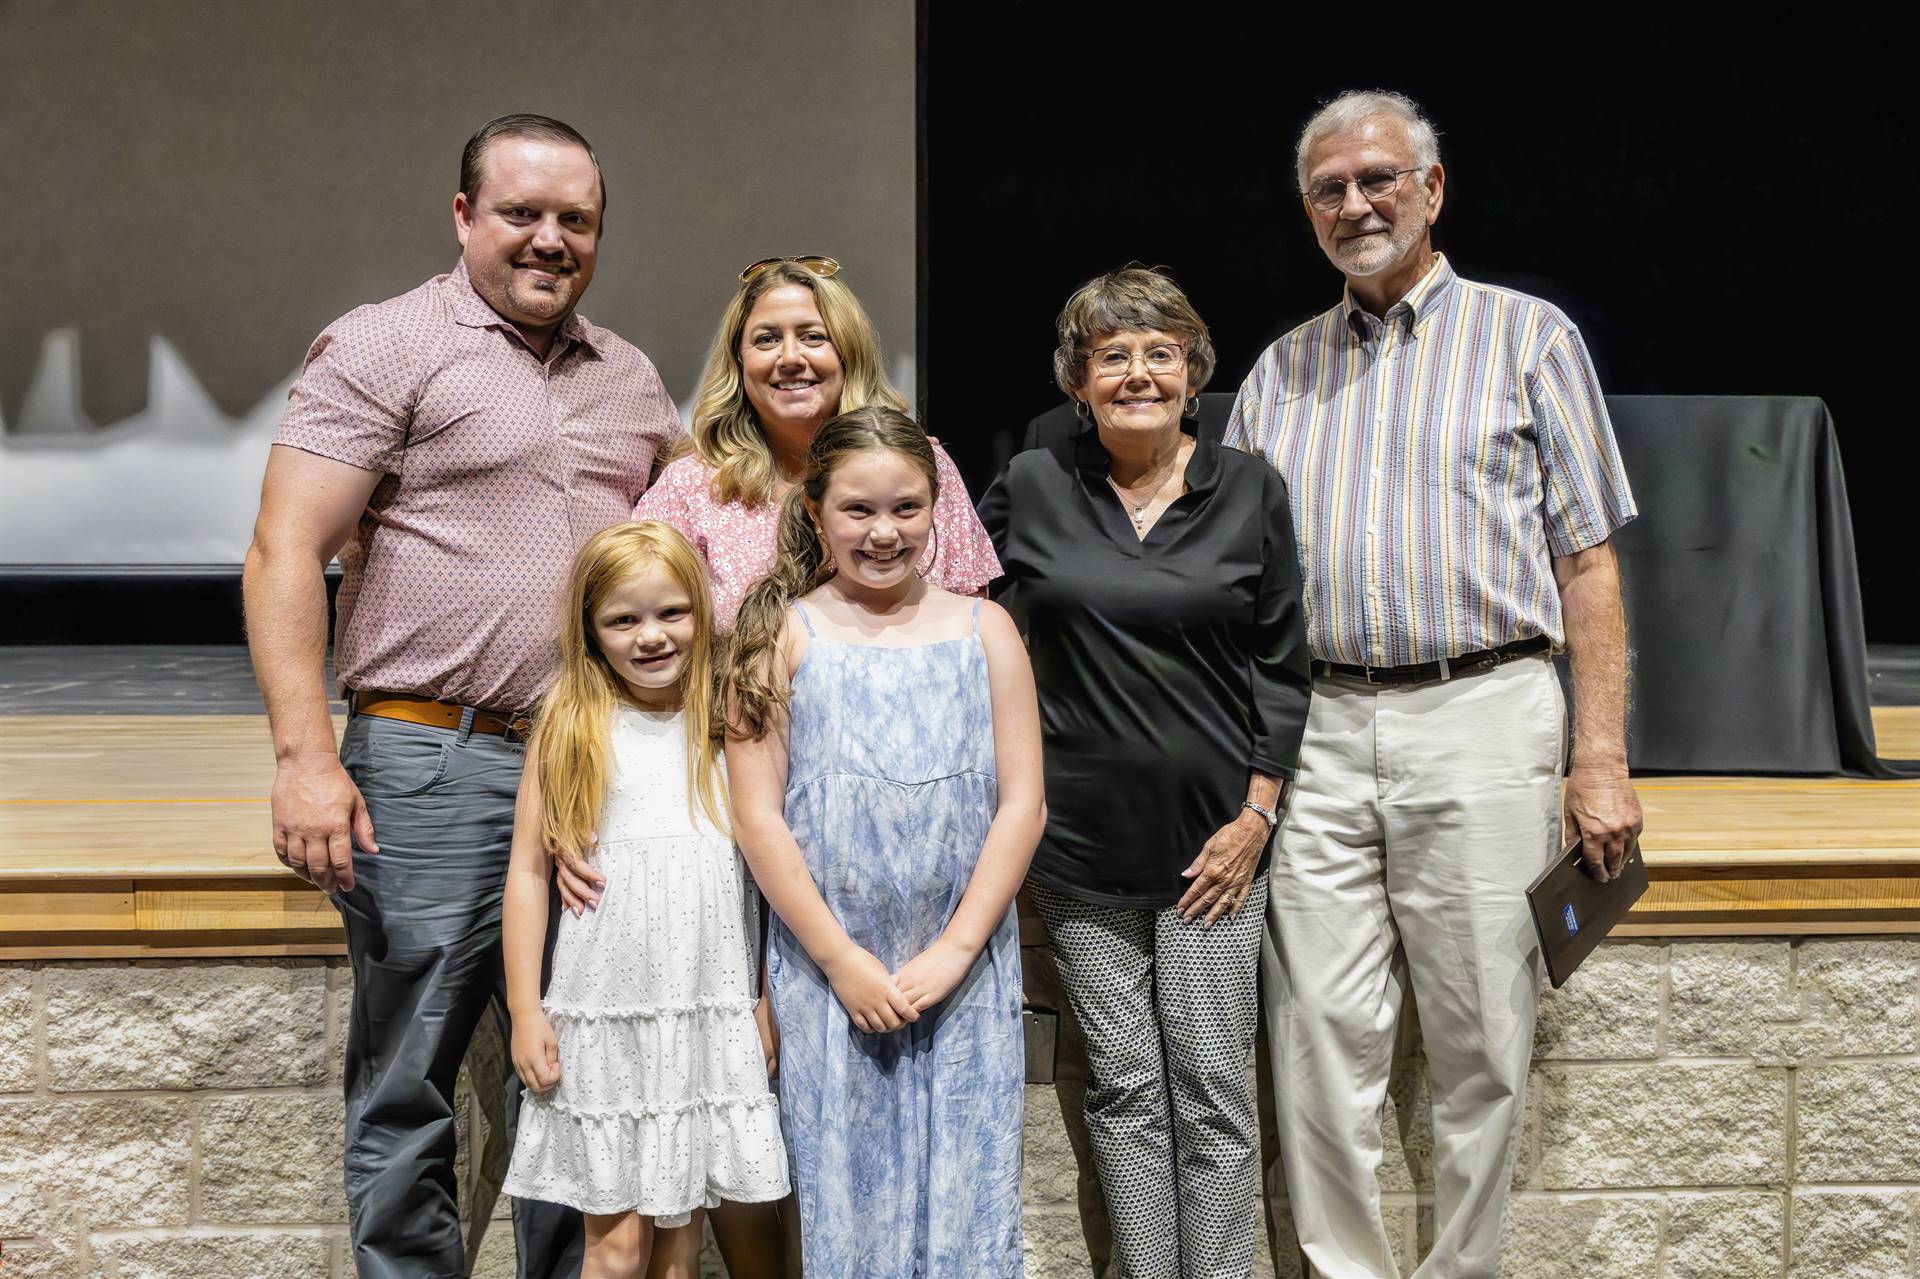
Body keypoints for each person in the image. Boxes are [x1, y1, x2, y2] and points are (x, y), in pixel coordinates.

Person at [242, 114, 681, 1278]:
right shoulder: (386, 345)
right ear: (464, 217)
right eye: (521, 214)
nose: (548, 240)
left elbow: (700, 539)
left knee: (576, 1066)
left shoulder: (629, 375)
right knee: (412, 1073)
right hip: (437, 757)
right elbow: (286, 549)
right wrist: (304, 756)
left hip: (593, 767)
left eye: (573, 220)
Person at [1227, 90, 1643, 1278]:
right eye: (1329, 190)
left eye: (1378, 180)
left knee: (1479, 1042)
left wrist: (1599, 757)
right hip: (1316, 726)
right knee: (1318, 1044)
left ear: (1432, 189)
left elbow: (1589, 560)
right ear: (1307, 212)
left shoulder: (1530, 338)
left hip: (1483, 712)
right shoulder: (1279, 370)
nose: (1355, 204)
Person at [977, 267, 1312, 1278]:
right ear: (1077, 380)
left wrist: (1257, 814)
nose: (1137, 372)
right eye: (1111, 355)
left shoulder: (1250, 486)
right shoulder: (1032, 483)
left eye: (1159, 352)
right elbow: (959, 615)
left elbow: (1284, 664)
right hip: (1075, 849)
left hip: (1215, 851)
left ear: (1191, 371)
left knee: (1212, 1084)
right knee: (1122, 1083)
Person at [720, 405, 1045, 1279]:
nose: (883, 531)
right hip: (833, 981)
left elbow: (1023, 805)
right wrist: (840, 961)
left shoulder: (987, 630)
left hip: (963, 975)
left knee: (970, 1199)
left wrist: (957, 948)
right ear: (815, 512)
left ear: (937, 508)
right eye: (858, 509)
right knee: (848, 1203)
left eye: (906, 508)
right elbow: (758, 817)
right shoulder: (781, 636)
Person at [499, 522, 789, 1278]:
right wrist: (527, 1009)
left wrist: (757, 996)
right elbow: (528, 874)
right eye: (623, 620)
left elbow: (756, 881)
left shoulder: (727, 721)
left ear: (701, 608)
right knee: (619, 1244)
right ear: (591, 632)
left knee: (682, 1238)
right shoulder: (572, 723)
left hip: (706, 1009)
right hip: (608, 1017)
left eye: (671, 613)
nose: (651, 636)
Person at [632, 256, 999, 623]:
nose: (790, 357)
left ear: (848, 352)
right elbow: (641, 626)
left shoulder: (920, 467)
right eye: (767, 339)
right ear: (738, 361)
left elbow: (973, 625)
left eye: (813, 337)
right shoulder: (689, 487)